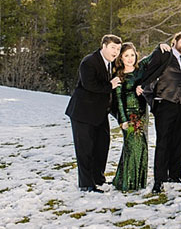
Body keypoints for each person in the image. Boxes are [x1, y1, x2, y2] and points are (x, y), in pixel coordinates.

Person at [140, 31, 181, 193]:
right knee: (163, 142)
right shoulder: (164, 54)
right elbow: (145, 66)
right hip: (165, 103)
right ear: (174, 42)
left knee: (179, 141)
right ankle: (159, 179)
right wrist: (158, 48)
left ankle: (175, 175)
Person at [65, 34, 122, 193]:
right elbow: (89, 85)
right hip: (83, 113)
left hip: (100, 113)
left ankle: (98, 178)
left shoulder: (111, 64)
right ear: (104, 46)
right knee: (85, 149)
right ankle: (86, 184)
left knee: (102, 146)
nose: (116, 52)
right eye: (113, 48)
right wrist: (110, 85)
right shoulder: (89, 62)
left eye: (118, 49)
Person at [112, 42, 170, 191]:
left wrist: (160, 46)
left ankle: (138, 181)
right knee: (132, 146)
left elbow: (153, 56)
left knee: (142, 145)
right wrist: (123, 120)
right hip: (128, 113)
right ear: (120, 58)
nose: (130, 58)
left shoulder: (141, 68)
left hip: (142, 112)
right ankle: (128, 181)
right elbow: (118, 100)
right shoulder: (119, 75)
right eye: (126, 56)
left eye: (132, 55)